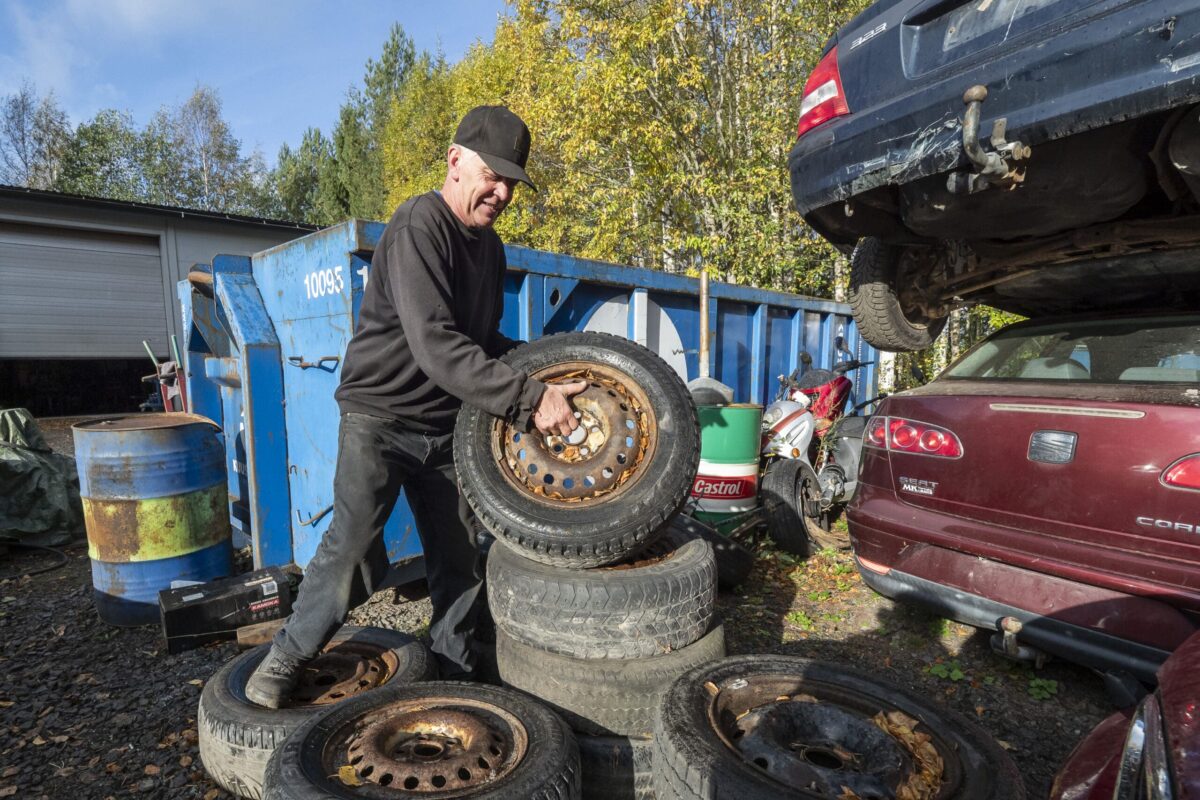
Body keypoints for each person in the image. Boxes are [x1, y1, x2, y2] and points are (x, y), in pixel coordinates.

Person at [246, 105, 587, 708]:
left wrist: (547, 367)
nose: (502, 192)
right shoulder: (418, 226)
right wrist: (530, 398)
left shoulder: (491, 249)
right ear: (456, 161)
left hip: (445, 425)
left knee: (460, 557)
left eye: (512, 182)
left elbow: (482, 342)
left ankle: (454, 671)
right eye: (493, 175)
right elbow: (436, 344)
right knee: (354, 552)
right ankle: (287, 657)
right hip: (378, 418)